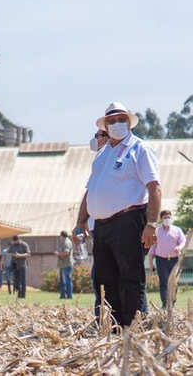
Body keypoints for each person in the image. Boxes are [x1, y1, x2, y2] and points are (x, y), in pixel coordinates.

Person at [73, 102, 161, 327]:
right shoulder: (102, 155)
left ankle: (132, 327)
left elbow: (154, 188)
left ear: (129, 123)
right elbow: (90, 190)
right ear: (105, 126)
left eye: (121, 119)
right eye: (111, 121)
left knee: (130, 278)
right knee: (104, 280)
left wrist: (151, 223)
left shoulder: (140, 149)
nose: (116, 124)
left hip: (129, 220)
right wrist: (80, 221)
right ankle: (109, 327)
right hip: (101, 226)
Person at [88, 129, 108, 314]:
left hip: (108, 226)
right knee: (98, 275)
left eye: (97, 136)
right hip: (97, 228)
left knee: (103, 274)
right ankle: (101, 314)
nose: (94, 139)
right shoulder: (99, 160)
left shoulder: (109, 158)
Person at [149, 210, 186, 308]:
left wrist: (179, 247)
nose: (167, 219)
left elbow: (183, 241)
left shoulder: (177, 230)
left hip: (174, 260)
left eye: (169, 217)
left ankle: (172, 303)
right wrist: (150, 263)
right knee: (164, 282)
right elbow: (152, 248)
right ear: (161, 219)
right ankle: (165, 304)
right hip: (161, 260)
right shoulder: (156, 231)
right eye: (165, 218)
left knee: (174, 282)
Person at [55, 231, 75, 299]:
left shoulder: (67, 242)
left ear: (62, 236)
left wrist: (58, 254)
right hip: (63, 264)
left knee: (67, 280)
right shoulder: (64, 242)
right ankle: (63, 295)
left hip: (67, 264)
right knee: (63, 281)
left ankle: (69, 295)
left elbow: (66, 252)